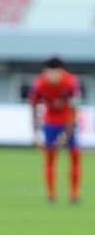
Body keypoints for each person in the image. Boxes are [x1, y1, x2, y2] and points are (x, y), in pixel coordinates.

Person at [29, 57, 82, 203]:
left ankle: (74, 195)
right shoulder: (39, 84)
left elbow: (74, 110)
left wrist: (66, 135)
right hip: (50, 123)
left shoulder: (71, 83)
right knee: (50, 157)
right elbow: (33, 109)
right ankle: (51, 194)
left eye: (55, 72)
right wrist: (35, 133)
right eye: (48, 72)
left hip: (68, 122)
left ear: (61, 72)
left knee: (75, 155)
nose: (51, 76)